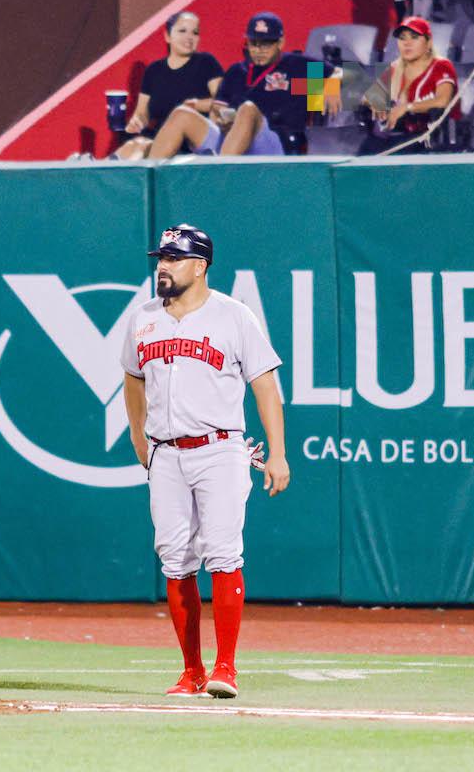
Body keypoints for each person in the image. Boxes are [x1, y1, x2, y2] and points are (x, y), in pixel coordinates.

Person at [120, 224, 290, 699]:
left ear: (200, 266)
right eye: (161, 258)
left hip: (219, 449)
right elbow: (133, 379)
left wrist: (277, 452)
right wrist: (138, 434)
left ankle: (226, 668)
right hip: (167, 453)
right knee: (174, 559)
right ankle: (192, 671)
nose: (163, 266)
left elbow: (264, 385)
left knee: (222, 552)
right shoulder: (144, 318)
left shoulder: (234, 316)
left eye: (174, 259)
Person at [149, 12, 342, 159]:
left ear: (280, 43)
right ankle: (149, 188)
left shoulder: (296, 66)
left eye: (266, 44)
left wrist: (332, 82)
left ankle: (219, 178)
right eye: (253, 43)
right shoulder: (236, 72)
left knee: (248, 110)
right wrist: (221, 120)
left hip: (276, 146)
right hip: (230, 143)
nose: (258, 50)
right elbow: (217, 112)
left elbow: (349, 75)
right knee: (181, 114)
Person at [115, 11, 223, 160]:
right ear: (167, 36)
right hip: (160, 139)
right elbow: (142, 113)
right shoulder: (153, 71)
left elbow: (222, 104)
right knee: (135, 146)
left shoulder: (206, 62)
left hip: (192, 140)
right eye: (182, 31)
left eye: (195, 33)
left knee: (145, 146)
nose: (189, 37)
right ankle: (94, 175)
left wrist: (196, 105)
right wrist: (136, 122)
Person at [360, 16, 461, 153]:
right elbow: (369, 98)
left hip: (422, 138)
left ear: (428, 42)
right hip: (388, 138)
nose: (407, 43)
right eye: (402, 38)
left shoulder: (441, 66)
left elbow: (443, 101)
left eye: (414, 37)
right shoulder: (396, 66)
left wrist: (407, 107)